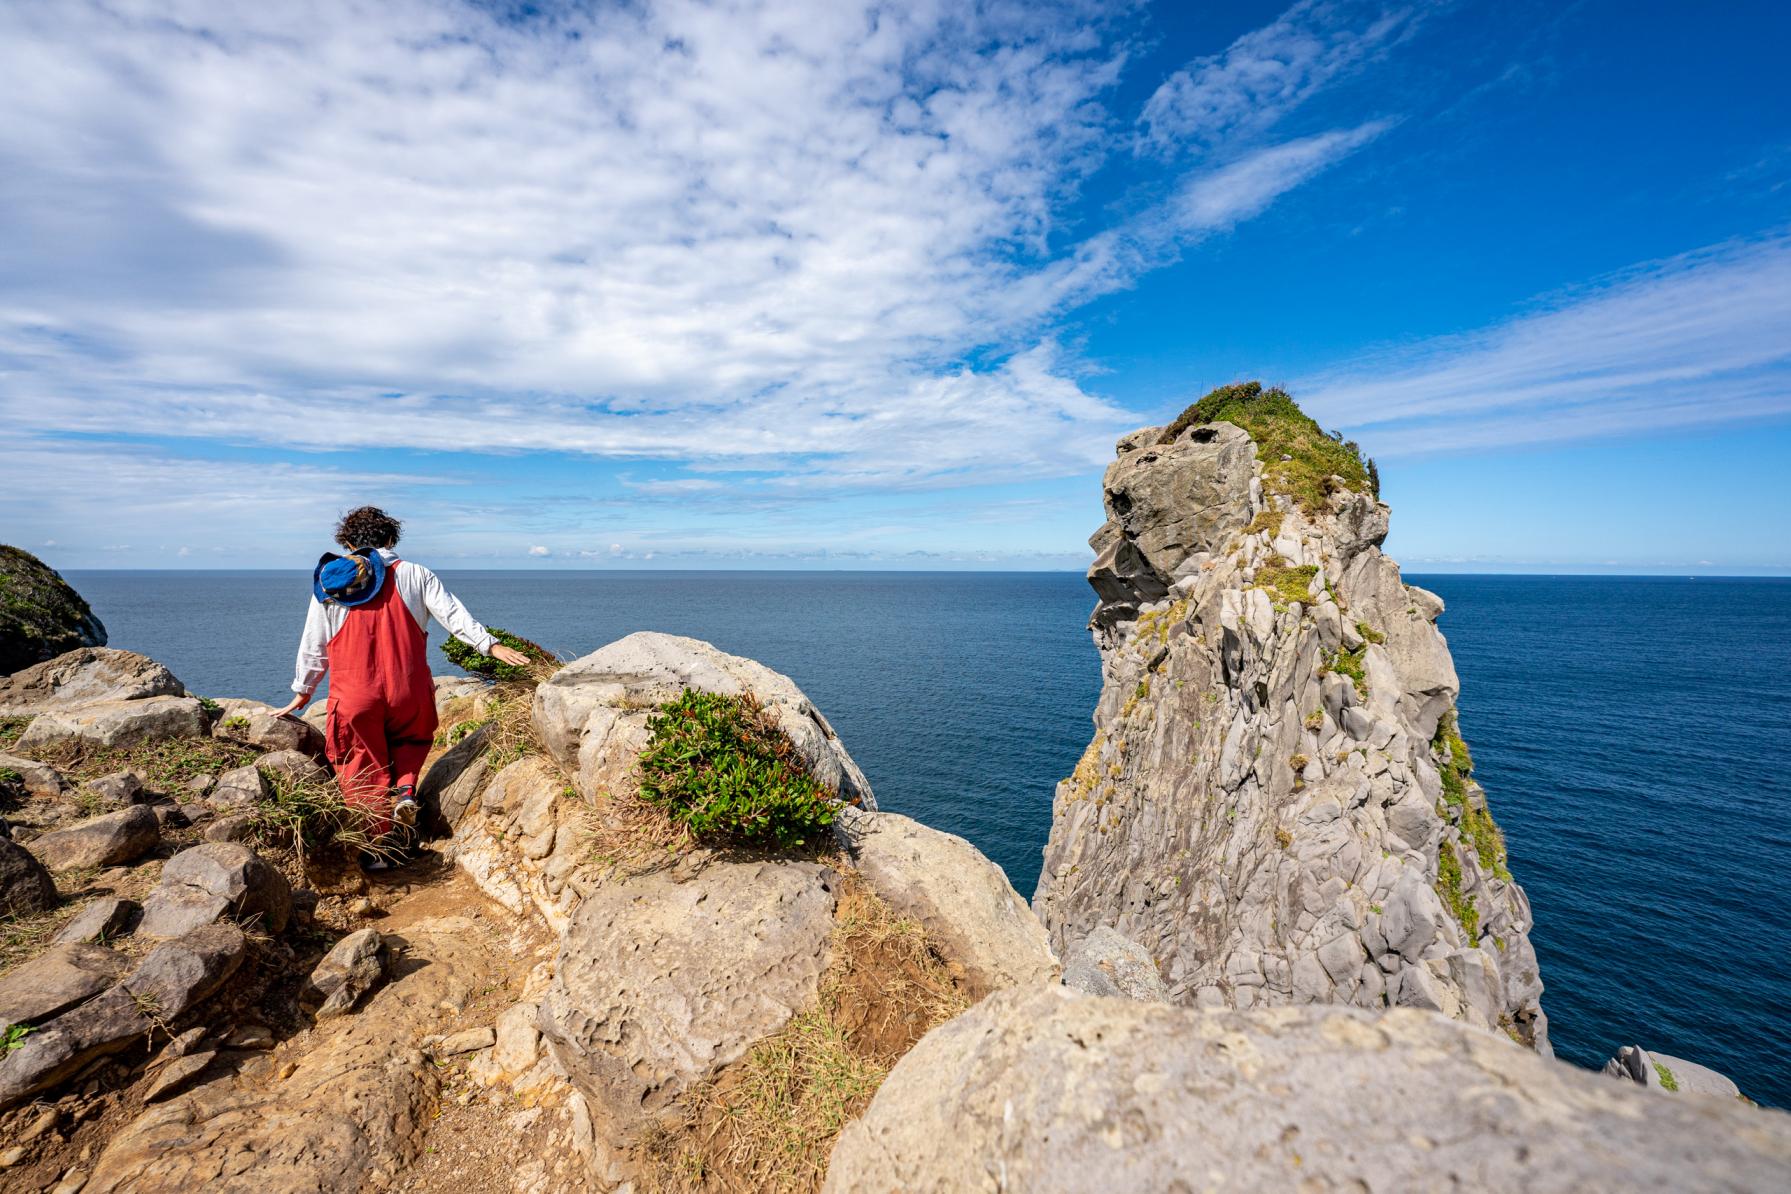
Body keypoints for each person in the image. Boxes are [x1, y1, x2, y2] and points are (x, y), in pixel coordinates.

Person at [275, 506, 528, 854]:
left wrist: (303, 691)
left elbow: (314, 642)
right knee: (410, 740)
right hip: (407, 688)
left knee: (361, 761)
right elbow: (453, 616)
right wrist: (491, 645)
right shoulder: (415, 574)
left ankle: (379, 849)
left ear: (347, 543)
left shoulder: (331, 582)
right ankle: (406, 792)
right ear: (392, 538)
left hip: (354, 693)